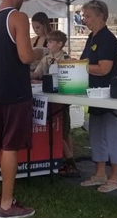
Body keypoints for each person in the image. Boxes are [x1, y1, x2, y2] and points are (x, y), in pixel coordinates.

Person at [0, 0, 43, 218]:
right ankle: (7, 205)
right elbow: (26, 56)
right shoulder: (18, 17)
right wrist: (41, 51)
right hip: (15, 91)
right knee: (10, 146)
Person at [79, 0, 117, 193]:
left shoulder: (107, 39)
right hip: (94, 93)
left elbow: (104, 68)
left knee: (113, 134)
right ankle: (99, 173)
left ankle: (116, 176)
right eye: (83, 16)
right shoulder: (91, 37)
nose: (84, 19)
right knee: (96, 133)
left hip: (110, 94)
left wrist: (81, 67)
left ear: (100, 16)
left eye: (87, 16)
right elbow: (83, 61)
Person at [30, 30, 79, 177]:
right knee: (56, 130)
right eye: (48, 42)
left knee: (64, 130)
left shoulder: (65, 59)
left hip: (61, 98)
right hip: (48, 97)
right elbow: (37, 73)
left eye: (51, 42)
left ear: (60, 44)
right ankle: (67, 159)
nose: (48, 44)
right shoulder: (46, 58)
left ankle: (70, 160)